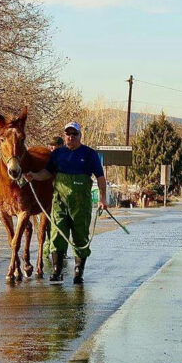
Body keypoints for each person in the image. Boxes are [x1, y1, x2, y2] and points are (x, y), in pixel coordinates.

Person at [26, 122, 106, 284]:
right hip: (59, 203)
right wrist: (34, 175)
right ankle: (56, 270)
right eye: (68, 134)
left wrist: (102, 199)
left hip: (81, 204)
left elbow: (100, 177)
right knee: (57, 235)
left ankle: (78, 271)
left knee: (80, 236)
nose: (70, 137)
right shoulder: (57, 154)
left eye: (74, 134)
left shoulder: (90, 154)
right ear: (64, 136)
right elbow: (47, 172)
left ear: (79, 136)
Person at [41, 136, 66, 268]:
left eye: (54, 146)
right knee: (47, 223)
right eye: (50, 146)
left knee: (60, 223)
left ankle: (60, 249)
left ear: (60, 146)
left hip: (61, 195)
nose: (51, 148)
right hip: (48, 196)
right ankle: (48, 246)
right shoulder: (47, 160)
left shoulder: (64, 159)